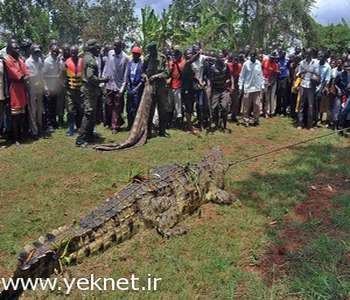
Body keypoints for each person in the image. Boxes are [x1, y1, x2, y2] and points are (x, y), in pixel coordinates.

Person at [76, 39, 108, 147]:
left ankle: (89, 136)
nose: (99, 50)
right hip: (89, 90)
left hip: (90, 90)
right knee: (88, 114)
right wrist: (102, 80)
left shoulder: (86, 57)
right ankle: (80, 139)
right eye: (97, 48)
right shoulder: (90, 60)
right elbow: (90, 77)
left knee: (92, 114)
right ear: (92, 48)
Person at [142, 42, 170, 137]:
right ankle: (148, 131)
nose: (150, 53)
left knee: (163, 109)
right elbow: (142, 72)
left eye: (152, 51)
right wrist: (145, 76)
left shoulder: (162, 58)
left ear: (155, 49)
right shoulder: (147, 58)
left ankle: (162, 131)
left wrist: (156, 76)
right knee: (150, 109)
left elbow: (167, 73)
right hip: (150, 88)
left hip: (161, 88)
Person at [5, 40, 29, 145]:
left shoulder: (19, 59)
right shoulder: (8, 60)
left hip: (21, 89)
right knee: (15, 116)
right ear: (10, 50)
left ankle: (20, 135)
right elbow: (18, 76)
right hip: (14, 89)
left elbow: (26, 73)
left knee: (22, 115)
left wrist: (24, 76)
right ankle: (15, 138)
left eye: (18, 48)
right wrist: (24, 76)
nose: (18, 50)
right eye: (15, 48)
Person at [103, 38, 129, 134]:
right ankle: (117, 121)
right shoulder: (110, 53)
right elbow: (107, 66)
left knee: (117, 107)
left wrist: (122, 88)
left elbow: (126, 75)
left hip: (118, 86)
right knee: (109, 104)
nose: (114, 47)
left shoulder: (125, 58)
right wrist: (103, 79)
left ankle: (115, 126)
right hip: (109, 84)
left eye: (117, 46)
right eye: (114, 45)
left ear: (121, 47)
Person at [296, 48, 320, 129]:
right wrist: (302, 72)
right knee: (301, 105)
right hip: (303, 84)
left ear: (311, 54)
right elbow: (298, 74)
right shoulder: (302, 63)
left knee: (310, 105)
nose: (307, 55)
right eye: (306, 54)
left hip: (311, 86)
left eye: (309, 54)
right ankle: (300, 123)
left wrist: (314, 76)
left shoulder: (316, 63)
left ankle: (310, 125)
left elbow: (317, 75)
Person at [239, 50, 264, 126]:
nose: (253, 58)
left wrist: (262, 85)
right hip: (248, 87)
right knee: (246, 105)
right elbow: (242, 76)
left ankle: (256, 119)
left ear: (256, 57)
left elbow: (260, 75)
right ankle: (246, 119)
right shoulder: (246, 64)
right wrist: (240, 86)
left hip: (257, 87)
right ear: (250, 57)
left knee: (257, 104)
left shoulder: (258, 63)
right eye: (251, 56)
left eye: (254, 56)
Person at [25, 44, 44, 139]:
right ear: (31, 51)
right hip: (32, 88)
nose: (37, 53)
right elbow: (29, 76)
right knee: (33, 110)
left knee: (40, 109)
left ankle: (40, 128)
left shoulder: (40, 60)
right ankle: (34, 131)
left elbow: (41, 73)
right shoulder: (28, 62)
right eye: (35, 51)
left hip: (39, 87)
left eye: (38, 51)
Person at [210, 55, 232, 131]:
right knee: (214, 108)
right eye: (221, 61)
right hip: (216, 90)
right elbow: (211, 81)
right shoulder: (213, 68)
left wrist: (230, 84)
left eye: (223, 60)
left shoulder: (226, 66)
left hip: (224, 89)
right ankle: (216, 123)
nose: (222, 62)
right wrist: (210, 92)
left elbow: (229, 76)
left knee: (224, 107)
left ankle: (224, 125)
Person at [65, 45, 84, 136]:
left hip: (80, 91)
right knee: (70, 110)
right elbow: (62, 76)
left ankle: (79, 127)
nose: (73, 54)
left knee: (80, 109)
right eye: (72, 52)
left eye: (75, 52)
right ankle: (70, 129)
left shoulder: (82, 62)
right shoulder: (66, 62)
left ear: (78, 52)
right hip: (70, 91)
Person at [43, 44, 61, 132]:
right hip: (49, 87)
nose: (55, 53)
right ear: (50, 51)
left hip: (55, 86)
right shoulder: (47, 61)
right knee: (48, 107)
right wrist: (46, 87)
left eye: (57, 51)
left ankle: (54, 122)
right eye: (54, 51)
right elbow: (43, 75)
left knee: (54, 106)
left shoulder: (57, 60)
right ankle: (48, 124)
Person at [126, 46, 144, 129]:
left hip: (138, 88)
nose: (134, 55)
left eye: (136, 54)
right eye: (133, 54)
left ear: (139, 55)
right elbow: (127, 75)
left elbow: (143, 79)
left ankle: (135, 125)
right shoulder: (129, 63)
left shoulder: (142, 65)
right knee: (129, 107)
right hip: (130, 87)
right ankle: (129, 125)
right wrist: (128, 86)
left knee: (136, 107)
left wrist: (137, 88)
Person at [167, 46, 185, 127]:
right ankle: (169, 122)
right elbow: (168, 72)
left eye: (177, 53)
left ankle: (179, 123)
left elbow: (182, 72)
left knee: (178, 106)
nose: (175, 55)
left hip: (178, 86)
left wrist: (175, 63)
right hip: (170, 86)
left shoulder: (182, 62)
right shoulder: (172, 62)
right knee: (170, 105)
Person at [315, 51, 331, 125]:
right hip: (311, 86)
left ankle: (316, 120)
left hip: (320, 88)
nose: (321, 58)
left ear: (325, 58)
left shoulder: (328, 67)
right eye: (320, 56)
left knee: (318, 105)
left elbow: (326, 80)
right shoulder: (315, 63)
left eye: (322, 56)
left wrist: (320, 90)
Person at [262, 51, 279, 117]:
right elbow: (261, 68)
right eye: (272, 58)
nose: (273, 59)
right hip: (265, 80)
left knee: (272, 97)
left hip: (273, 82)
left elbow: (275, 75)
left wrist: (271, 82)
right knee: (266, 97)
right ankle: (265, 111)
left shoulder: (275, 65)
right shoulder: (265, 61)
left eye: (274, 58)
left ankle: (271, 112)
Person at [226, 53, 242, 122]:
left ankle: (234, 116)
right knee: (226, 101)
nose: (235, 62)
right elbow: (229, 75)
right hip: (227, 86)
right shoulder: (228, 65)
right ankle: (224, 116)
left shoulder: (239, 66)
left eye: (236, 60)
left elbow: (239, 76)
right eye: (234, 60)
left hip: (236, 86)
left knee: (236, 102)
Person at [276, 49, 290, 116]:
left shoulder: (287, 61)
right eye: (281, 54)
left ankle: (284, 111)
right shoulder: (278, 60)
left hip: (284, 78)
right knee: (278, 94)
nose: (282, 55)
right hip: (278, 78)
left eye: (284, 54)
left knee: (284, 95)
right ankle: (277, 110)